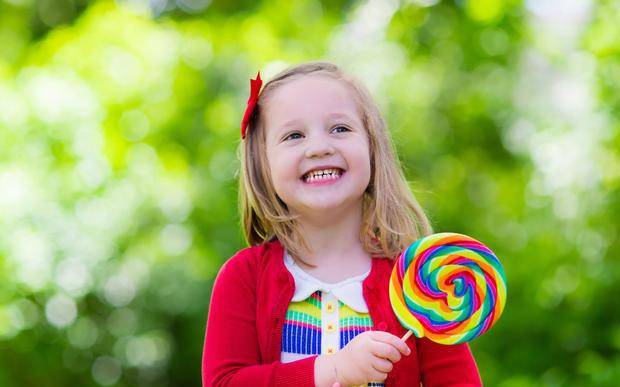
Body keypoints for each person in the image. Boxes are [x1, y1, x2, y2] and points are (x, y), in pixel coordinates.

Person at [202, 61, 482, 386]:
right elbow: (224, 382)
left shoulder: (418, 282)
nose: (320, 147)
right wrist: (333, 369)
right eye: (294, 135)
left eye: (340, 129)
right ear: (262, 165)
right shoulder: (244, 277)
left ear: (372, 148)